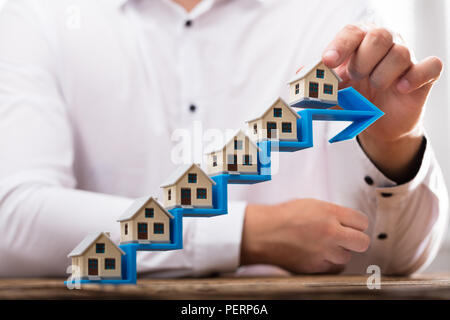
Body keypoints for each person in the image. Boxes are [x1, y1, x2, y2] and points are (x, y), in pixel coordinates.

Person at [0, 0, 447, 278]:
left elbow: (387, 262)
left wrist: (394, 144)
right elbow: (15, 221)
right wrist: (248, 233)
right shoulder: (38, 14)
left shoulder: (336, 14)